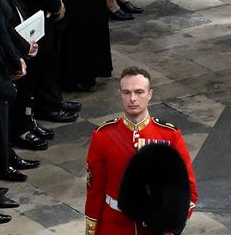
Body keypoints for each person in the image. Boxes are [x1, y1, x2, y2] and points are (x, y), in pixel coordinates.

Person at [84, 67, 197, 235]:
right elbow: (95, 191)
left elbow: (188, 190)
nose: (133, 99)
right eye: (126, 92)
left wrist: (170, 224)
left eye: (139, 92)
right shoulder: (103, 136)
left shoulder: (169, 135)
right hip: (114, 225)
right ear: (120, 94)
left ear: (150, 94)